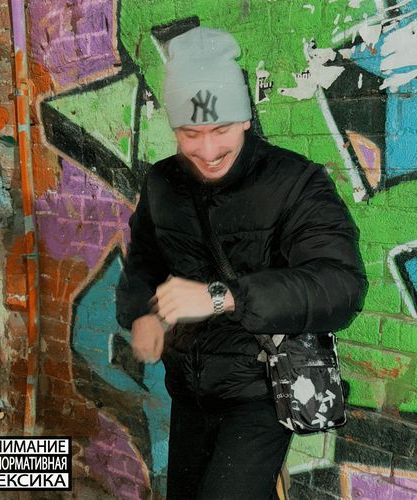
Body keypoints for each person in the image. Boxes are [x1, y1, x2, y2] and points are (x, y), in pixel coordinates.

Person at [116, 27, 367, 500]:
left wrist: (223, 296)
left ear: (246, 118)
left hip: (261, 394)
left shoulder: (296, 182)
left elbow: (341, 285)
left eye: (221, 130)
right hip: (188, 390)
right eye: (191, 134)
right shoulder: (162, 182)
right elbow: (144, 260)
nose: (207, 152)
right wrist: (142, 315)